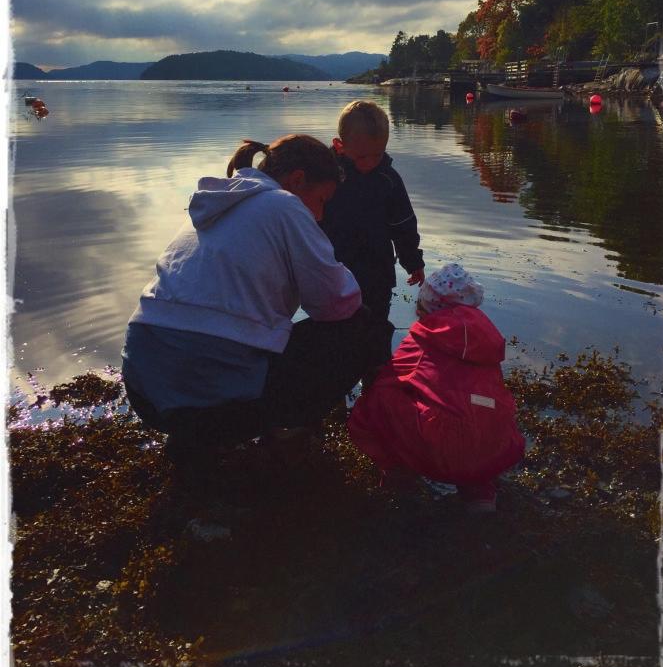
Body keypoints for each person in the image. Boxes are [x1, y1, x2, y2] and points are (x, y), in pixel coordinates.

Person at [121, 134, 391, 465]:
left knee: (264, 335)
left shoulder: (218, 203)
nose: (320, 216)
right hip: (206, 401)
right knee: (364, 326)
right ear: (297, 180)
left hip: (144, 390)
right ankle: (305, 430)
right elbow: (338, 303)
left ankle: (199, 439)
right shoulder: (284, 205)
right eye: (321, 200)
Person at [347, 263, 525, 512]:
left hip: (444, 450)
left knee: (376, 399)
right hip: (497, 450)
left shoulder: (424, 337)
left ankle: (399, 473)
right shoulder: (486, 338)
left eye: (420, 310)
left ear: (431, 309)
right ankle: (480, 492)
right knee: (480, 409)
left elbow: (392, 378)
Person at [321, 100, 425, 364]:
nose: (370, 163)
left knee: (375, 333)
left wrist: (413, 261)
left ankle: (377, 385)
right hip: (333, 272)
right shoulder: (326, 177)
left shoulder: (388, 180)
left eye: (377, 155)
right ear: (339, 146)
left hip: (376, 273)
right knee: (331, 339)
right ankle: (335, 391)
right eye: (362, 157)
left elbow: (403, 225)